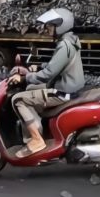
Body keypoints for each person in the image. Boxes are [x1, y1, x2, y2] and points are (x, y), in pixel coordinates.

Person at [9, 8, 84, 156]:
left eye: (50, 25)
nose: (47, 28)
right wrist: (38, 67)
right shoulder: (71, 40)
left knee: (18, 99)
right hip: (68, 85)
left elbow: (48, 74)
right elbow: (57, 65)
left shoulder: (64, 45)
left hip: (63, 91)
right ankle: (40, 127)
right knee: (30, 89)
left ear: (61, 26)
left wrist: (23, 78)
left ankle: (36, 139)